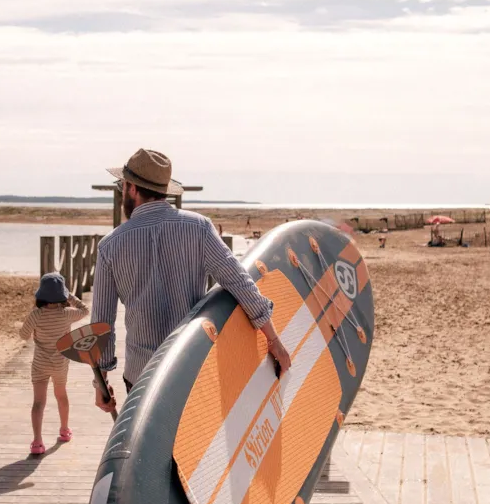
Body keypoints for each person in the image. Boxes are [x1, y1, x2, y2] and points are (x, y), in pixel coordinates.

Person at [90, 148, 291, 415]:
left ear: (132, 189)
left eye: (122, 187)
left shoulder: (110, 246)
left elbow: (101, 325)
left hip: (141, 375)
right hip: (192, 370)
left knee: (149, 455)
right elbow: (241, 284)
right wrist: (273, 339)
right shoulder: (199, 228)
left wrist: (101, 382)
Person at [19, 272, 89, 455]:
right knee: (61, 395)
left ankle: (37, 442)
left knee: (38, 403)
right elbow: (85, 310)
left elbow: (23, 335)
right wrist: (70, 296)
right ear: (62, 295)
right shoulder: (66, 314)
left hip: (40, 363)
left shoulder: (36, 315)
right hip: (60, 363)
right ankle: (64, 430)